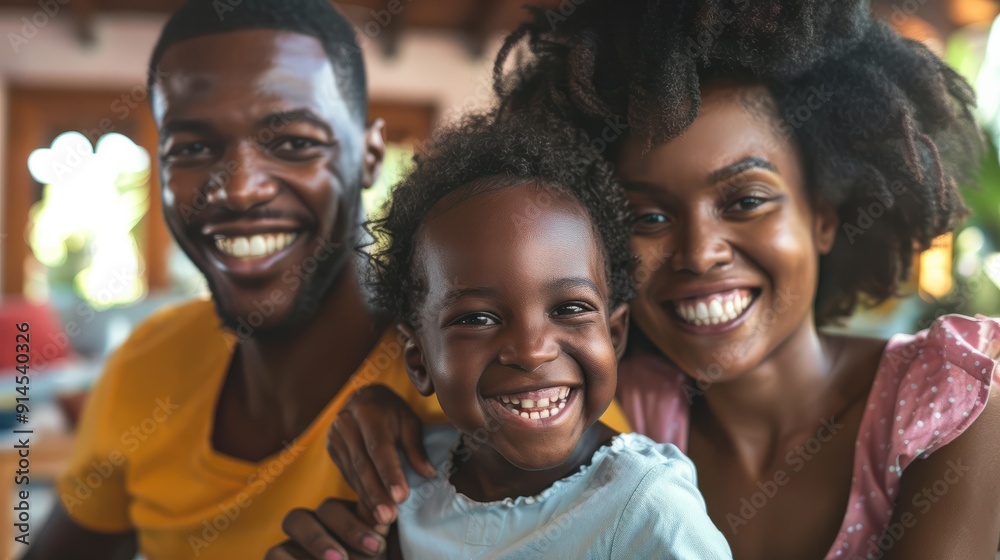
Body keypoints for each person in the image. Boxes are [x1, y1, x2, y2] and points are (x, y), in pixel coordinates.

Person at [310, 1, 1000, 559]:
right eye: (647, 215)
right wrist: (380, 409)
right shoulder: (628, 405)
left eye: (746, 200)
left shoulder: (954, 404)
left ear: (824, 215)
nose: (699, 252)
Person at [28, 1, 441, 557]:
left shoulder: (471, 385)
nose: (239, 188)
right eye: (193, 149)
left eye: (294, 142)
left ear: (368, 157)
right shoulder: (147, 364)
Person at [268, 111, 733, 559]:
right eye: (477, 319)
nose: (532, 351)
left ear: (613, 335)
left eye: (570, 309)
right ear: (418, 361)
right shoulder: (405, 486)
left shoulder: (646, 508)